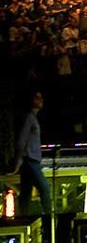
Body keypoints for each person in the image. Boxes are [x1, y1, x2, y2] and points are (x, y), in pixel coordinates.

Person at [13, 92, 51, 221]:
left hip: (31, 161)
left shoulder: (32, 118)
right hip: (30, 161)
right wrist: (19, 159)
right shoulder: (29, 118)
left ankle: (23, 219)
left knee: (25, 194)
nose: (41, 100)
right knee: (44, 190)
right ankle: (48, 219)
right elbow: (22, 140)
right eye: (37, 97)